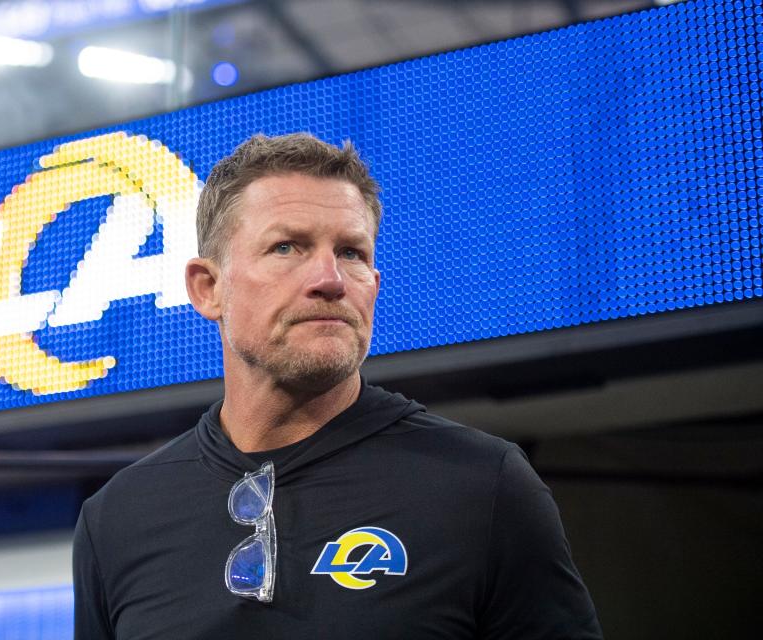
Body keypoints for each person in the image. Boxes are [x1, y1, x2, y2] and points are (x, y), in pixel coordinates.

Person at [73, 132, 604, 639]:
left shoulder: (483, 485)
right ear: (208, 288)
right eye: (287, 247)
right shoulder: (117, 517)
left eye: (352, 253)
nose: (329, 279)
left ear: (374, 285)